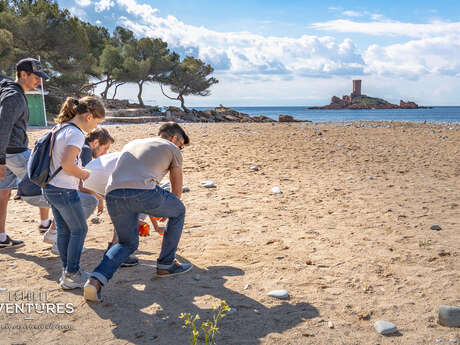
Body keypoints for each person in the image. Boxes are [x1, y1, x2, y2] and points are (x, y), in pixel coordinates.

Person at [84, 122, 191, 302]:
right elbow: (176, 188)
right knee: (179, 211)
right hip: (142, 192)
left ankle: (95, 281)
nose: (180, 148)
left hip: (112, 194)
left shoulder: (134, 143)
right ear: (174, 139)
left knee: (126, 243)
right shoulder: (172, 148)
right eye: (181, 145)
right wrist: (169, 207)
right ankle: (166, 264)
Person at [17, 127, 115, 252]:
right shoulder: (84, 150)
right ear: (95, 142)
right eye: (105, 148)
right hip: (41, 191)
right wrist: (99, 197)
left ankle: (53, 233)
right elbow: (80, 185)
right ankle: (63, 242)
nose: (105, 153)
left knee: (69, 196)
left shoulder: (75, 144)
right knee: (89, 200)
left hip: (31, 189)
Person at [43, 96, 105, 290]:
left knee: (64, 230)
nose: (95, 128)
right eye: (97, 122)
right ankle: (72, 274)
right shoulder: (76, 133)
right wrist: (85, 174)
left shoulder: (60, 128)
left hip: (50, 187)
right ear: (88, 116)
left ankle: (67, 272)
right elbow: (67, 164)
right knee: (80, 229)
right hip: (63, 190)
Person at [0, 58, 50, 249]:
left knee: (3, 194)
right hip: (14, 154)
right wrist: (1, 160)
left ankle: (1, 237)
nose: (39, 81)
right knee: (46, 183)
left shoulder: (10, 90)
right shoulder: (14, 97)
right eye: (36, 77)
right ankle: (48, 226)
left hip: (8, 153)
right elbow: (3, 127)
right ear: (23, 74)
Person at [83, 152, 165, 267]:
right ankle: (118, 253)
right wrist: (155, 226)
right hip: (101, 177)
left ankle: (113, 246)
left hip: (87, 175)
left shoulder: (133, 153)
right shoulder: (149, 166)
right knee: (130, 205)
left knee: (126, 204)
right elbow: (148, 195)